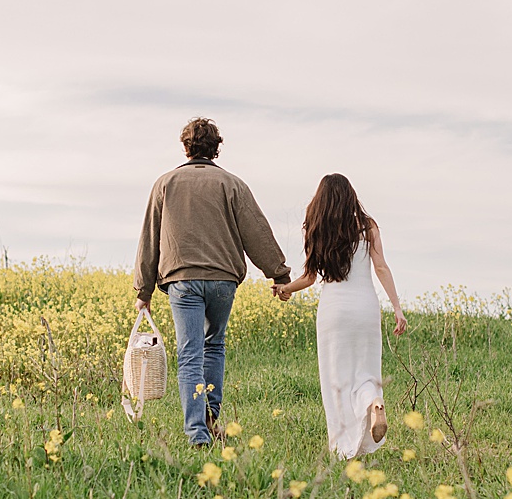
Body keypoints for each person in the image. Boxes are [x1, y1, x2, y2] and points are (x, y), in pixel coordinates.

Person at [134, 117, 291, 447]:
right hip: (222, 280)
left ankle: (197, 434)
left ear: (186, 146)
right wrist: (278, 273)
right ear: (216, 148)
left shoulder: (165, 183)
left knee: (190, 354)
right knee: (214, 345)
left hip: (182, 280)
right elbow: (256, 231)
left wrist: (143, 290)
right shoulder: (232, 184)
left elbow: (149, 237)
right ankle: (210, 418)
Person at [274, 175, 407, 458]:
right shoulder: (367, 226)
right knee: (366, 372)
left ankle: (343, 447)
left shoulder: (317, 228)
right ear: (351, 196)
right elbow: (381, 267)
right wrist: (397, 307)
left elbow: (309, 278)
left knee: (337, 379)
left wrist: (286, 288)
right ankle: (373, 401)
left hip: (334, 313)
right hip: (366, 309)